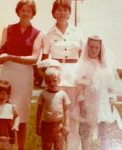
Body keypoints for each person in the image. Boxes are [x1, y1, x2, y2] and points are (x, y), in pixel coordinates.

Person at [0, 0, 43, 149]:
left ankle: (21, 148)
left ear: (33, 13)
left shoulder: (38, 34)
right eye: (23, 10)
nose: (25, 13)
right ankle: (5, 146)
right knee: (5, 112)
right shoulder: (7, 29)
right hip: (7, 73)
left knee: (22, 116)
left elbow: (34, 59)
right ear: (18, 11)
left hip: (25, 75)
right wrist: (0, 58)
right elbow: (0, 52)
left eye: (29, 10)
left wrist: (10, 57)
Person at [41, 0, 84, 149]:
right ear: (53, 13)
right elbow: (44, 58)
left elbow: (84, 57)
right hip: (55, 79)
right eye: (58, 10)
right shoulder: (48, 34)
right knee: (54, 116)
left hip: (74, 77)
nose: (62, 12)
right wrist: (48, 76)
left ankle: (73, 147)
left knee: (73, 116)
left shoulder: (78, 32)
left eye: (65, 9)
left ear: (69, 12)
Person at [75, 35, 122, 150]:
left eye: (97, 47)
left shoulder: (105, 66)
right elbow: (80, 87)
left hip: (102, 102)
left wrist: (111, 98)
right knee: (85, 131)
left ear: (101, 49)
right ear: (87, 48)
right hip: (87, 101)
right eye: (91, 47)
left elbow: (110, 86)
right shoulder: (83, 65)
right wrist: (81, 104)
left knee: (103, 131)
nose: (94, 50)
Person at [36, 68, 71, 150]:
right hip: (46, 126)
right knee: (46, 146)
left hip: (58, 126)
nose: (52, 83)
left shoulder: (62, 94)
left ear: (59, 80)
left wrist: (67, 125)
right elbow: (39, 111)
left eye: (54, 80)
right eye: (49, 81)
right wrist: (38, 125)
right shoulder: (43, 94)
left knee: (59, 146)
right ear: (45, 81)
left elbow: (66, 110)